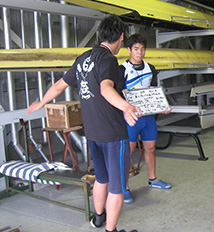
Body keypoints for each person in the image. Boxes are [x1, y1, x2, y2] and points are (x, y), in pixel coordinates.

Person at [27, 15, 141, 232]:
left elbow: (60, 85)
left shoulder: (83, 59)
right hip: (113, 134)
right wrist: (126, 107)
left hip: (93, 133)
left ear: (100, 35)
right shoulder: (108, 59)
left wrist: (41, 102)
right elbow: (106, 88)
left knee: (101, 179)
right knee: (116, 188)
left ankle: (99, 219)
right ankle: (111, 230)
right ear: (122, 37)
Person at [119, 34, 171, 204]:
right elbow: (117, 94)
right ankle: (124, 187)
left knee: (150, 148)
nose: (140, 52)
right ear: (129, 50)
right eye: (136, 49)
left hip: (148, 118)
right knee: (128, 152)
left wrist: (163, 105)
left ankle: (153, 179)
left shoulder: (151, 68)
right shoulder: (122, 69)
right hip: (132, 119)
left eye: (142, 49)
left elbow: (156, 90)